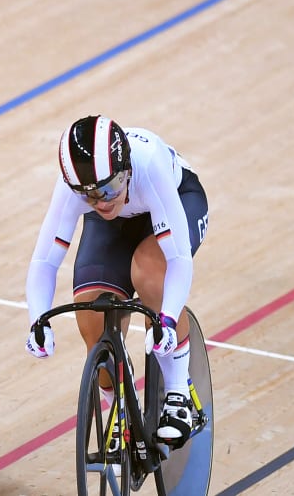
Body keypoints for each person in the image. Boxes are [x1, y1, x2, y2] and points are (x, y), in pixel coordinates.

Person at [24, 115, 208, 448]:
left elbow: (179, 261)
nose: (102, 201)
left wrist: (165, 319)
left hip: (174, 201)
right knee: (92, 310)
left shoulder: (148, 166)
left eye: (107, 189)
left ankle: (179, 392)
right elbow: (44, 261)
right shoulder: (80, 191)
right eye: (90, 196)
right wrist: (38, 320)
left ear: (126, 170)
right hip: (114, 228)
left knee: (149, 273)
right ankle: (119, 408)